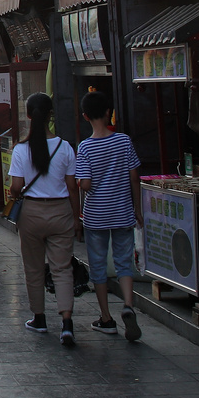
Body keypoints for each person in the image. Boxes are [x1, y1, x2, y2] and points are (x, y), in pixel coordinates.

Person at [8, 92, 80, 344]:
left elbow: (16, 186)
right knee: (62, 268)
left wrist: (13, 192)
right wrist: (76, 217)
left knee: (34, 268)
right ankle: (67, 321)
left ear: (28, 115)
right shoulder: (65, 147)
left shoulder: (21, 149)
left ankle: (39, 318)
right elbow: (73, 187)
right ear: (51, 114)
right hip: (60, 212)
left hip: (31, 213)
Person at [72, 91, 142, 341]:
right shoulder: (123, 141)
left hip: (96, 216)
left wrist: (82, 183)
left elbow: (86, 184)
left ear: (85, 117)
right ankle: (128, 306)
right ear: (108, 112)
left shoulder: (86, 147)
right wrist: (137, 208)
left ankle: (106, 318)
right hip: (123, 212)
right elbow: (135, 176)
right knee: (124, 262)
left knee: (98, 266)